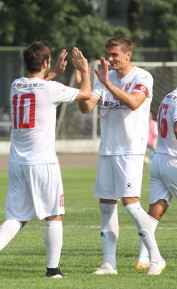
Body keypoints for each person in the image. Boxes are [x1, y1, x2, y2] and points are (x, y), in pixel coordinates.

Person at [0, 40, 91, 279]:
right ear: (46, 62)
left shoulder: (16, 84)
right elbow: (86, 95)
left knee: (17, 216)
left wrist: (52, 74)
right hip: (43, 163)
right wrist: (84, 70)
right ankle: (53, 271)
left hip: (17, 163)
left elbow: (36, 86)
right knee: (54, 215)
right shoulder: (50, 89)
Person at [77, 36, 165, 275]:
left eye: (115, 54)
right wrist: (84, 77)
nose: (111, 57)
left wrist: (107, 84)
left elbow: (135, 102)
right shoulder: (106, 76)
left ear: (128, 55)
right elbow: (86, 108)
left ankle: (155, 257)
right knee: (106, 205)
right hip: (107, 150)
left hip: (130, 150)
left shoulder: (142, 77)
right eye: (109, 53)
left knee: (131, 204)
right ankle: (109, 264)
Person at [137, 88, 177, 272]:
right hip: (173, 160)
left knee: (155, 212)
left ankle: (143, 258)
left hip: (159, 160)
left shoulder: (168, 96)